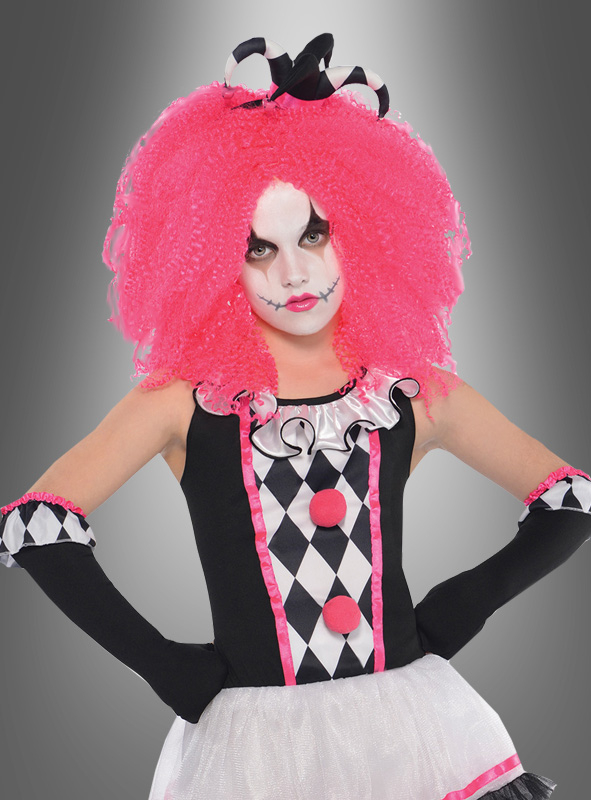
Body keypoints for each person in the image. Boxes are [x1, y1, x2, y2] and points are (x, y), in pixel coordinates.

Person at [1, 34, 590, 800]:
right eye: (257, 249)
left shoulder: (410, 393)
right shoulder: (184, 401)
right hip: (253, 753)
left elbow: (571, 498)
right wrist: (159, 662)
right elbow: (37, 523)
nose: (295, 272)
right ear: (211, 261)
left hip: (418, 736)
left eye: (314, 234)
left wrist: (469, 600)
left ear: (364, 232)